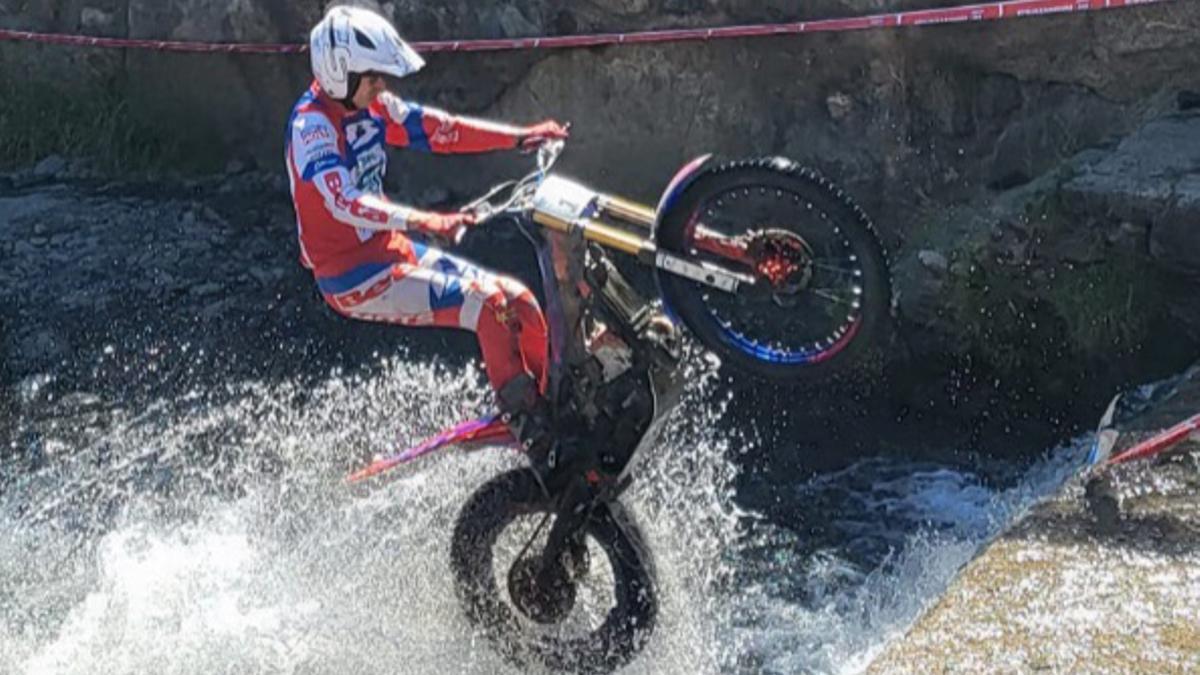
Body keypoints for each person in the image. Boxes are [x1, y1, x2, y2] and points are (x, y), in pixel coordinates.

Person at [285, 6, 569, 443]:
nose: (382, 86)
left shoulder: (372, 105)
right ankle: (532, 430)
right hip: (353, 277)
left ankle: (557, 405)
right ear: (339, 73)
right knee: (487, 306)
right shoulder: (311, 127)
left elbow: (439, 130)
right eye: (373, 77)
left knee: (521, 302)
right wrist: (424, 219)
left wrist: (517, 137)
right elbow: (344, 202)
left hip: (390, 248)